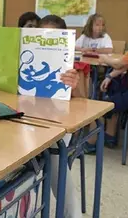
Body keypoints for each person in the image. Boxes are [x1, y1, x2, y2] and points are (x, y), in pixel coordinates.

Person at [39, 14, 83, 218]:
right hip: (32, 121)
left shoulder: (70, 67)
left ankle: (71, 214)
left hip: (59, 125)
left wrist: (74, 87)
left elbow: (85, 103)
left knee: (55, 152)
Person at [87, 13, 128, 151]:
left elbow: (118, 63)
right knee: (114, 90)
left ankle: (90, 144)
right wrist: (109, 76)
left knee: (98, 106)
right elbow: (125, 65)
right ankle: (110, 137)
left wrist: (103, 59)